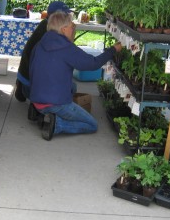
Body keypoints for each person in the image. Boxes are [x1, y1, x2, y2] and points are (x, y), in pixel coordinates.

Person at [29, 10, 122, 141]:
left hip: (36, 98)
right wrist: (113, 50)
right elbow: (92, 64)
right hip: (55, 103)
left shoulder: (40, 43)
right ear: (64, 29)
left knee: (73, 87)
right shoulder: (66, 48)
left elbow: (32, 70)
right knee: (92, 124)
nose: (74, 29)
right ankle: (56, 125)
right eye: (73, 26)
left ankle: (40, 113)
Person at [14, 0, 72, 103]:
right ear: (56, 17)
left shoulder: (45, 25)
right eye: (65, 15)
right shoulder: (51, 33)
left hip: (24, 74)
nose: (68, 17)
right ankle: (37, 104)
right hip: (32, 82)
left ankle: (22, 87)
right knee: (71, 87)